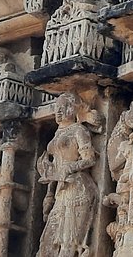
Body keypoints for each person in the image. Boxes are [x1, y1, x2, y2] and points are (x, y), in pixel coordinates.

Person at [37, 93, 98, 257]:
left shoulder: (79, 130)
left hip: (78, 188)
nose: (59, 111)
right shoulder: (58, 133)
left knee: (68, 243)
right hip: (61, 190)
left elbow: (90, 159)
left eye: (64, 107)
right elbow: (56, 166)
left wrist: (70, 167)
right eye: (57, 108)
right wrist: (49, 185)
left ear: (73, 109)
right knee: (47, 243)